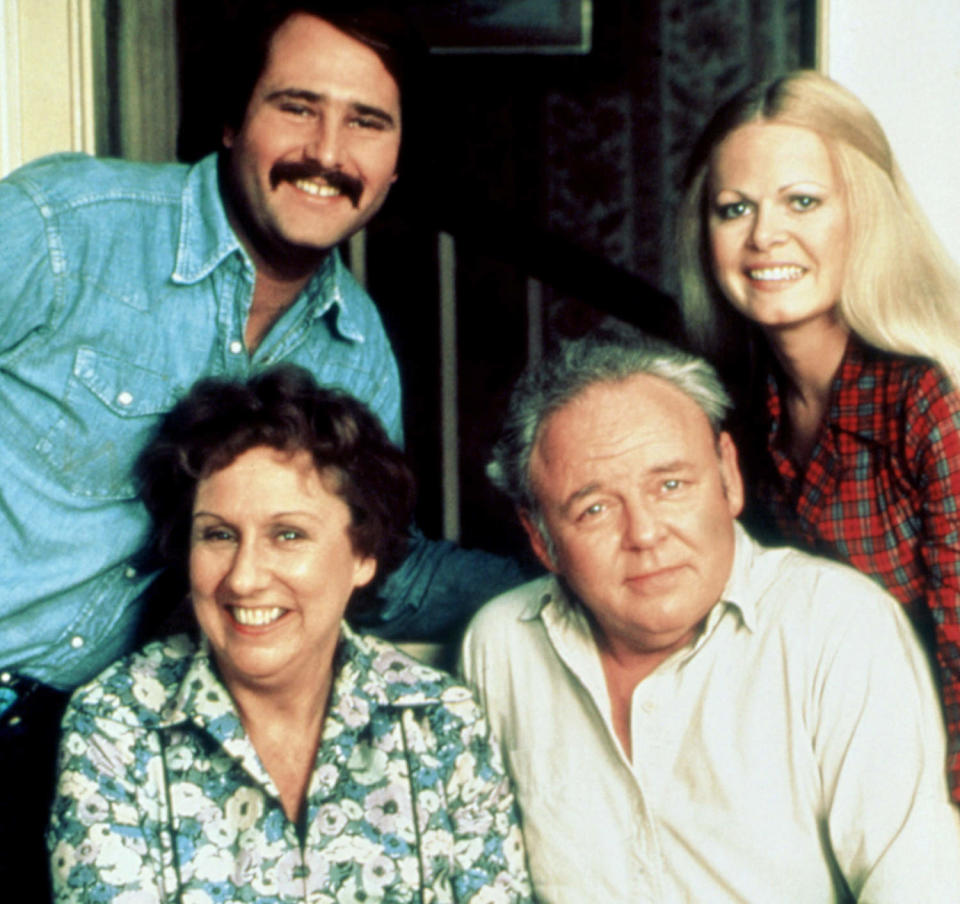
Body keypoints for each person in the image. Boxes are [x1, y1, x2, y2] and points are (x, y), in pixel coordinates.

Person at [0, 0, 528, 891]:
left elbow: (377, 571)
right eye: (297, 107)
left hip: (71, 756)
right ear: (233, 121)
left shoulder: (354, 359)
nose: (327, 154)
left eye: (367, 122)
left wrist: (576, 574)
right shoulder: (65, 228)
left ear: (396, 164)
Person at [461, 331, 960, 903]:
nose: (644, 535)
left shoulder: (837, 625)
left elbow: (917, 884)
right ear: (540, 538)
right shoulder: (500, 646)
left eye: (671, 485)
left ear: (728, 476)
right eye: (594, 509)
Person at [47, 365, 532, 903]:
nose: (245, 577)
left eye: (288, 534)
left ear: (364, 554)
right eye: (219, 534)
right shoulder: (117, 725)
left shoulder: (441, 721)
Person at [674, 69, 960, 803]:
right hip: (806, 780)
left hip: (927, 796)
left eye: (803, 201)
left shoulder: (931, 401)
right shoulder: (731, 406)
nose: (765, 235)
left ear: (862, 215)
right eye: (734, 208)